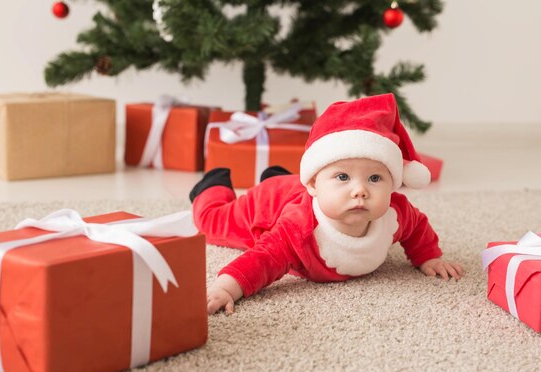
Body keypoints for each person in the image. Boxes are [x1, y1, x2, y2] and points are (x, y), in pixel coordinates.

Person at [191, 93, 463, 315]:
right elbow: (262, 260)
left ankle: (280, 174)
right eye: (343, 177)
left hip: (298, 186)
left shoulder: (396, 212)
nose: (360, 190)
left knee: (306, 184)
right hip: (269, 203)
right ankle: (213, 184)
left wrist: (428, 256)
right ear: (312, 184)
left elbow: (417, 228)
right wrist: (226, 288)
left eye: (375, 178)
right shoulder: (299, 229)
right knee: (213, 223)